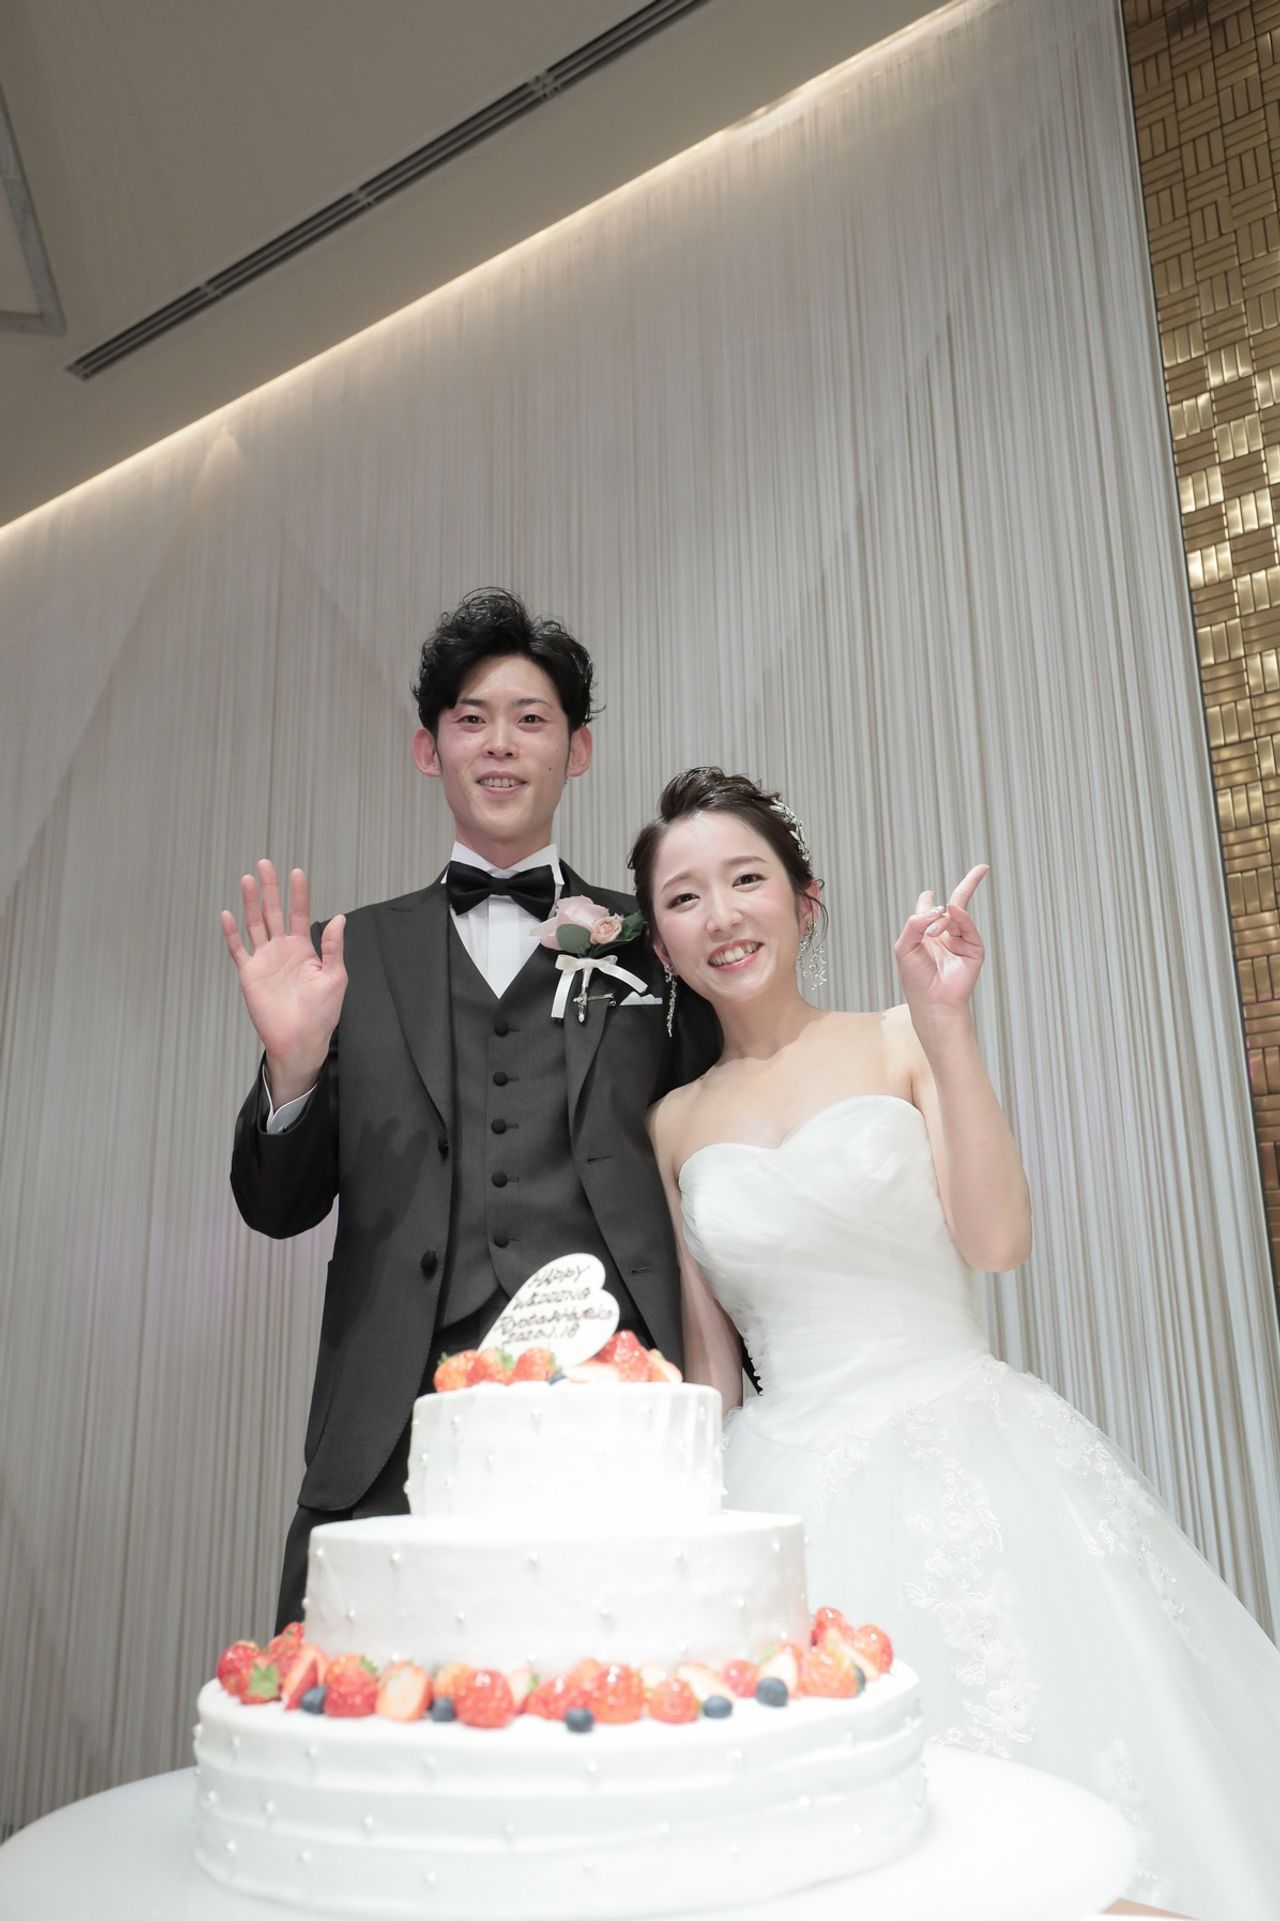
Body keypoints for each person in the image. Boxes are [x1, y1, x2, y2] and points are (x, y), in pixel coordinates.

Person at [633, 766, 1280, 1921]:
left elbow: (996, 1240)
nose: (720, 914)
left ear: (803, 900)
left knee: (1078, 1829)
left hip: (970, 1460)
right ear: (660, 942)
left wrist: (945, 1024)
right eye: (683, 898)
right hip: (782, 1489)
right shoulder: (672, 1122)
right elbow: (711, 1364)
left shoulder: (899, 1037)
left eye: (745, 880)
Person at [220, 591, 717, 1631]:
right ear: (427, 749)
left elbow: (716, 1154)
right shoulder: (349, 954)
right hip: (388, 1424)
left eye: (531, 718)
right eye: (471, 718)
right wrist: (293, 1069)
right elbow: (276, 1207)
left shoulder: (650, 945)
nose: (500, 744)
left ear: (577, 750)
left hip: (611, 1400)